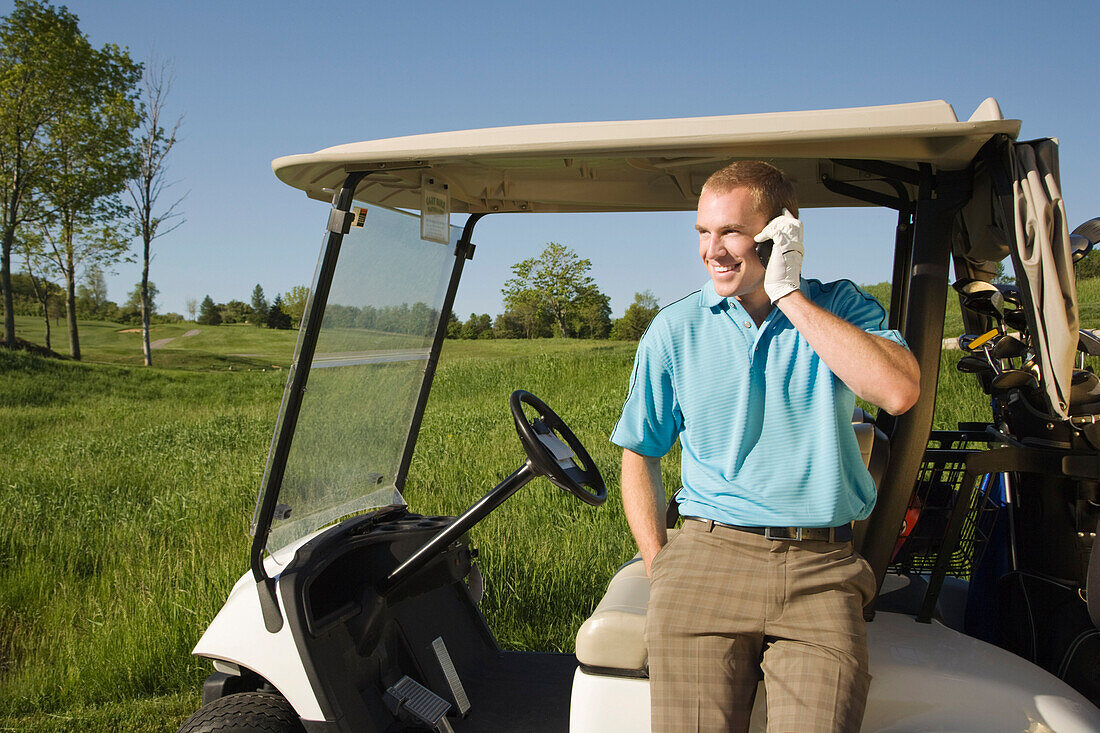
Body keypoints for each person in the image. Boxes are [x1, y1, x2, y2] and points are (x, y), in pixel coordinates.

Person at [611, 161, 919, 732]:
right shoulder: (674, 329)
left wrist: (788, 295)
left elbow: (898, 392)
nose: (713, 250)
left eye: (730, 231)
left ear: (783, 232)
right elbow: (639, 455)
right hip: (707, 558)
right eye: (703, 232)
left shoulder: (840, 307)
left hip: (821, 569)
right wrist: (662, 568)